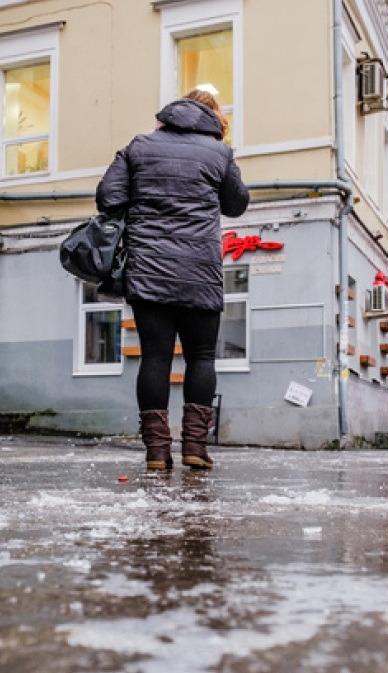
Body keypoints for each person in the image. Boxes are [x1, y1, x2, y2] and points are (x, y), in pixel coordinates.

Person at [96, 90, 249, 471]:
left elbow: (107, 197)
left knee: (155, 358)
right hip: (200, 271)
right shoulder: (220, 152)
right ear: (212, 116)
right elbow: (237, 204)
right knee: (200, 357)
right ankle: (195, 448)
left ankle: (157, 453)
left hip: (148, 271)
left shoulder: (139, 145)